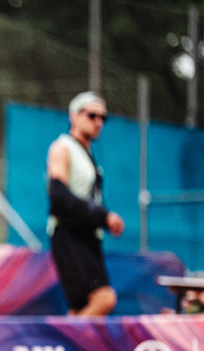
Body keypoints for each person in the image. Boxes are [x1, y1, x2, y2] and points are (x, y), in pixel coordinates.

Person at [45, 91, 125, 316]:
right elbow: (59, 197)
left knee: (80, 310)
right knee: (104, 299)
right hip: (69, 234)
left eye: (103, 118)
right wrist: (103, 217)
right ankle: (67, 341)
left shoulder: (86, 154)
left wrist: (106, 218)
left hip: (87, 236)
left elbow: (87, 198)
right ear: (74, 116)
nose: (98, 122)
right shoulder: (63, 147)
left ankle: (69, 348)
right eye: (92, 115)